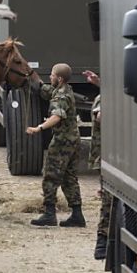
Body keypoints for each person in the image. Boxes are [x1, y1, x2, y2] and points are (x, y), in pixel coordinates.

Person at [26, 63, 85, 227]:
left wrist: (39, 128)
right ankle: (77, 215)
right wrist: (32, 75)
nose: (50, 77)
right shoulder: (65, 90)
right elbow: (45, 90)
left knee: (50, 176)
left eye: (52, 75)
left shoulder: (61, 97)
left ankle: (49, 213)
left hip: (62, 142)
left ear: (59, 78)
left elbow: (57, 116)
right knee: (69, 178)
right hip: (73, 140)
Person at [84, 70, 113, 260]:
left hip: (108, 157)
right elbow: (100, 117)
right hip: (106, 157)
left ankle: (103, 241)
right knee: (108, 201)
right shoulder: (105, 98)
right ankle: (102, 241)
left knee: (108, 200)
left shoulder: (107, 96)